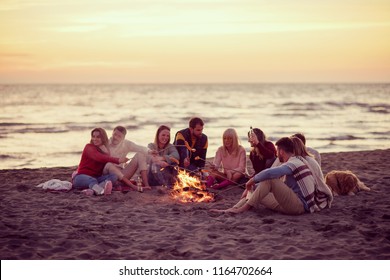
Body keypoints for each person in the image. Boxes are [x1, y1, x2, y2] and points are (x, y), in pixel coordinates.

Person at [211, 137, 331, 215]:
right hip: (291, 203)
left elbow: (271, 173)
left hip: (299, 206)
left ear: (282, 152)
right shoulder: (297, 160)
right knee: (255, 190)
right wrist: (253, 186)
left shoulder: (294, 162)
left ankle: (241, 210)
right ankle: (233, 209)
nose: (276, 153)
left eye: (277, 150)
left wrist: (251, 180)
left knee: (270, 180)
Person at [73, 127, 128, 195]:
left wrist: (106, 152)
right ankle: (101, 191)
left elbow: (106, 160)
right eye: (93, 136)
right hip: (80, 177)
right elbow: (99, 157)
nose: (95, 139)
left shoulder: (104, 150)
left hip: (96, 178)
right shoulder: (89, 147)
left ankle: (93, 190)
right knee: (92, 180)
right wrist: (118, 160)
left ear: (103, 138)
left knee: (114, 176)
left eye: (98, 137)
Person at [103, 126, 155, 190]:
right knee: (109, 164)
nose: (115, 137)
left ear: (123, 138)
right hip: (109, 174)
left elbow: (140, 148)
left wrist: (150, 151)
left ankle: (146, 185)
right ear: (112, 133)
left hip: (123, 174)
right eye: (115, 134)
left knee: (140, 155)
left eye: (119, 136)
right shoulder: (105, 144)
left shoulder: (126, 143)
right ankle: (116, 184)